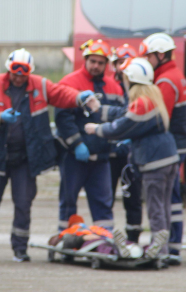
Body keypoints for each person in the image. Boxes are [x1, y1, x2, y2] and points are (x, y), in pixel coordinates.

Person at [0, 49, 91, 262]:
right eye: (14, 73)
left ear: (29, 73)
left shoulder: (40, 85)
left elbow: (61, 94)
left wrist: (79, 97)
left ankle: (20, 249)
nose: (18, 77)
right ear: (9, 70)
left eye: (23, 74)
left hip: (26, 158)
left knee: (23, 204)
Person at [85, 57, 179, 261]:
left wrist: (96, 129)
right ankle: (166, 248)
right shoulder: (152, 97)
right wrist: (99, 109)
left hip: (154, 163)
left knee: (155, 210)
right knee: (163, 207)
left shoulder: (142, 103)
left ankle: (159, 252)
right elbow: (124, 112)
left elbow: (121, 127)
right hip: (168, 159)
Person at [55, 39, 124, 232]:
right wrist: (77, 144)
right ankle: (66, 241)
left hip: (101, 157)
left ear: (106, 64)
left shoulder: (114, 87)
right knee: (68, 203)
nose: (96, 66)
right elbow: (62, 118)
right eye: (92, 61)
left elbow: (119, 117)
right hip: (74, 157)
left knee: (103, 204)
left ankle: (105, 242)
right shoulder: (70, 82)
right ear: (85, 60)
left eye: (100, 63)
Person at [139, 33, 186, 264]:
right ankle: (172, 247)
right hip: (178, 144)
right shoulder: (174, 75)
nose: (147, 61)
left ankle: (168, 248)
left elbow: (159, 118)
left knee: (167, 200)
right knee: (171, 199)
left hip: (170, 147)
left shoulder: (166, 82)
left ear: (160, 54)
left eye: (148, 56)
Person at [105, 43, 144, 243]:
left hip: (130, 154)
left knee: (133, 198)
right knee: (106, 198)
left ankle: (133, 238)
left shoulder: (138, 86)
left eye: (125, 62)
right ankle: (107, 239)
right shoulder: (109, 85)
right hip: (110, 152)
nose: (122, 67)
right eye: (118, 63)